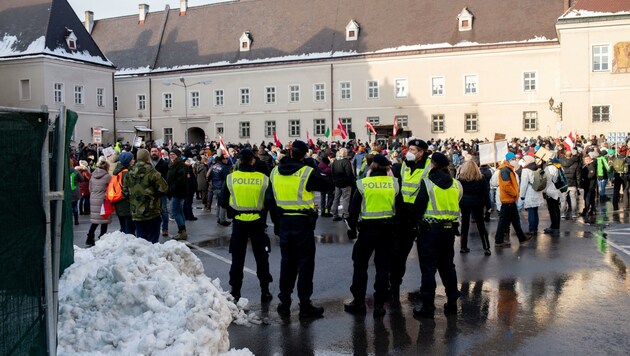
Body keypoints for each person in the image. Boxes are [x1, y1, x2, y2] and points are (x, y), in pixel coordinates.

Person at [270, 140, 333, 318]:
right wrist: (315, 167)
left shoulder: (275, 171)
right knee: (305, 264)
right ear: (305, 154)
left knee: (286, 263)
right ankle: (305, 304)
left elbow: (270, 199)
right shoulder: (307, 172)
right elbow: (328, 184)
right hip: (302, 222)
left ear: (290, 152)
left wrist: (276, 223)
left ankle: (284, 303)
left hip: (284, 221)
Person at [343, 154, 399, 317]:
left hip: (367, 230)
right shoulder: (394, 184)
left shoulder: (362, 184)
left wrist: (351, 229)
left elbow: (353, 210)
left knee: (360, 265)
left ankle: (359, 301)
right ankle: (379, 304)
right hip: (387, 230)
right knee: (382, 267)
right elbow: (399, 208)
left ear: (372, 167)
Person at [220, 149, 274, 303]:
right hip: (257, 222)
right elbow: (270, 202)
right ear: (252, 161)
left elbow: (223, 202)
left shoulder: (231, 178)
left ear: (239, 161)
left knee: (237, 259)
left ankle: (235, 291)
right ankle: (265, 291)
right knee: (262, 258)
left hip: (238, 223)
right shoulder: (263, 179)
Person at [412, 152, 462, 319]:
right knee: (448, 266)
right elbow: (457, 202)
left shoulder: (427, 183)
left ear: (432, 165)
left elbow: (418, 207)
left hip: (430, 230)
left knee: (428, 268)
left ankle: (428, 306)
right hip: (449, 230)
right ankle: (452, 302)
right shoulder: (456, 184)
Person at [390, 138, 431, 304]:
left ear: (422, 153)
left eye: (413, 150)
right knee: (399, 254)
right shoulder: (403, 165)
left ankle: (425, 290)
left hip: (421, 216)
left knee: (425, 257)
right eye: (409, 149)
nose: (410, 153)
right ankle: (394, 286)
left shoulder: (429, 166)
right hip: (403, 217)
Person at [123, 148, 168, 243]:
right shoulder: (153, 173)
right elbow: (164, 188)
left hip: (136, 212)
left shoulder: (129, 173)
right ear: (148, 158)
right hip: (152, 211)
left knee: (141, 241)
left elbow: (125, 193)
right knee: (152, 241)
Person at [494, 152, 531, 247]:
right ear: (509, 160)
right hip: (508, 199)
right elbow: (507, 185)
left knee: (515, 220)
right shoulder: (505, 170)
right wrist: (515, 194)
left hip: (510, 199)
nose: (515, 161)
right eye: (513, 159)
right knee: (503, 221)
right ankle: (498, 240)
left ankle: (521, 237)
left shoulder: (508, 169)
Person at [457, 160, 492, 256]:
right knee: (481, 225)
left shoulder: (461, 179)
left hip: (464, 203)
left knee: (464, 225)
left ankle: (463, 247)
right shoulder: (481, 179)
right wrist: (489, 206)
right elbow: (486, 193)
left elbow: (458, 192)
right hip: (477, 203)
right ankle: (486, 247)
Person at [87, 159, 112, 247]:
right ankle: (102, 237)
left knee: (95, 220)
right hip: (103, 200)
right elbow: (110, 189)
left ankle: (90, 237)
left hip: (93, 198)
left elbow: (90, 188)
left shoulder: (92, 176)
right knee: (104, 220)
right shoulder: (108, 177)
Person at [519, 155, 545, 237]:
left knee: (531, 212)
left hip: (530, 193)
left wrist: (522, 195)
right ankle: (535, 229)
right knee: (535, 212)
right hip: (537, 192)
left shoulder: (526, 170)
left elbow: (524, 184)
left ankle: (531, 230)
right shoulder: (538, 168)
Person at [167, 149, 188, 240]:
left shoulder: (180, 165)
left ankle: (182, 231)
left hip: (178, 192)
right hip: (176, 191)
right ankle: (183, 230)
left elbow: (180, 180)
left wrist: (172, 188)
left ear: (177, 155)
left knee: (175, 211)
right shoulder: (173, 165)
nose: (171, 156)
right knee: (179, 211)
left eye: (173, 154)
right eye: (170, 154)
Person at [112, 151, 135, 234]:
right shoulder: (127, 173)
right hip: (127, 203)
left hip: (118, 202)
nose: (134, 160)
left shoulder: (116, 172)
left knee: (123, 227)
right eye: (132, 159)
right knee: (130, 230)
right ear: (128, 161)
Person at [330, 148, 355, 221]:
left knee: (336, 199)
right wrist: (351, 182)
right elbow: (349, 173)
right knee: (345, 199)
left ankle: (334, 214)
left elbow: (333, 172)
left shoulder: (335, 161)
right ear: (345, 153)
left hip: (337, 183)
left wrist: (334, 181)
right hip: (346, 183)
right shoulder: (346, 161)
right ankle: (346, 215)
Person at [150, 147, 170, 237]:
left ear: (158, 153)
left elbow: (167, 177)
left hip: (161, 191)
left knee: (164, 210)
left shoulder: (164, 163)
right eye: (152, 151)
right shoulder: (148, 164)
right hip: (150, 192)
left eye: (155, 151)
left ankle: (165, 228)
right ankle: (153, 228)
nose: (154, 153)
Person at [207, 153, 231, 226]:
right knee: (223, 204)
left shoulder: (214, 166)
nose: (227, 160)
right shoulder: (224, 168)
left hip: (215, 187)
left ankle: (219, 218)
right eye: (225, 159)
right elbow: (227, 178)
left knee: (219, 203)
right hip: (222, 187)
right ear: (222, 159)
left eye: (227, 158)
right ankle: (222, 220)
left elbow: (209, 176)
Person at [560, 149, 581, 218]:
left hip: (563, 184)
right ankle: (574, 213)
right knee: (573, 199)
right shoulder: (576, 163)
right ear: (571, 155)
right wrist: (578, 185)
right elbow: (578, 175)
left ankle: (562, 213)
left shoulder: (560, 163)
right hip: (573, 183)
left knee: (563, 200)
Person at [543, 159, 563, 235]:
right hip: (557, 190)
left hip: (550, 191)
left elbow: (546, 180)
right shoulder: (558, 168)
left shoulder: (549, 168)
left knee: (552, 209)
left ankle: (554, 227)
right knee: (556, 208)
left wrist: (544, 191)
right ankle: (556, 226)